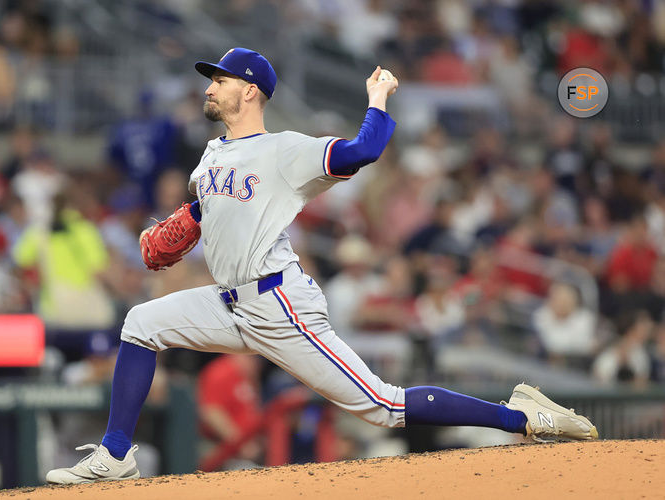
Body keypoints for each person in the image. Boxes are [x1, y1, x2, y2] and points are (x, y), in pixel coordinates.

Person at [46, 48, 597, 484]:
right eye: (210, 77)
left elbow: (364, 150)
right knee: (141, 324)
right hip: (228, 301)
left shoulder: (287, 150)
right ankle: (116, 455)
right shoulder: (211, 154)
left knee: (382, 407)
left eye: (220, 78)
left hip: (279, 304)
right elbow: (200, 215)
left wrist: (378, 96)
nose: (210, 86)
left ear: (250, 90)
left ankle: (522, 417)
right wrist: (182, 223)